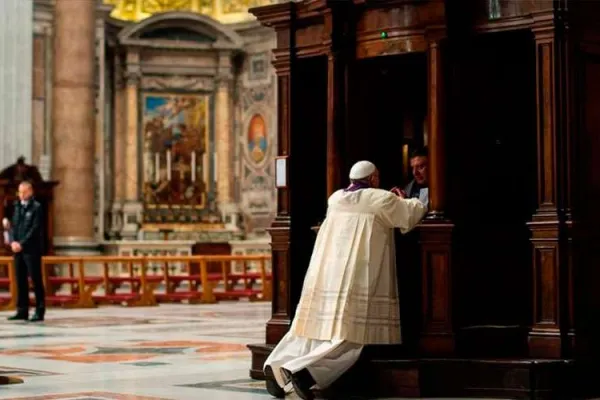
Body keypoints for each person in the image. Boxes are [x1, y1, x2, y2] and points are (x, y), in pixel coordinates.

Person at [263, 161, 428, 399]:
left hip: (328, 274)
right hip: (357, 276)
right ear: (372, 179)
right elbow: (410, 214)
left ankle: (277, 363)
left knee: (312, 330)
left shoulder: (336, 198)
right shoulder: (380, 199)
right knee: (351, 338)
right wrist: (406, 199)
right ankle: (304, 374)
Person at [7, 181, 45, 322]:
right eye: (19, 192)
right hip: (18, 250)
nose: (21, 195)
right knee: (20, 280)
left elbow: (35, 229)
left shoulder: (37, 207)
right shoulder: (17, 207)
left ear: (30, 192)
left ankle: (39, 310)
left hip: (31, 250)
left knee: (35, 280)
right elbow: (14, 227)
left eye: (24, 192)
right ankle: (22, 310)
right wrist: (13, 242)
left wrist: (22, 243)